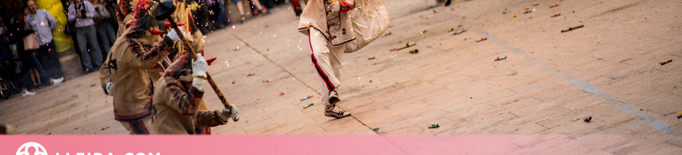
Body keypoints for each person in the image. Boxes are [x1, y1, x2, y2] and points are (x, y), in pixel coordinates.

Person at [298, 0, 389, 118]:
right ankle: (333, 88)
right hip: (316, 23)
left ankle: (329, 107)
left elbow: (353, 3)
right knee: (318, 54)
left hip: (339, 28)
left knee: (335, 67)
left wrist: (341, 5)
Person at [106, 3, 180, 134]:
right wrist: (107, 82)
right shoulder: (128, 44)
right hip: (134, 106)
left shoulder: (129, 38)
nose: (155, 43)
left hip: (146, 99)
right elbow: (145, 60)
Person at [151, 53, 239, 134]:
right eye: (192, 81)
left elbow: (194, 118)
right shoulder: (167, 85)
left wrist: (220, 116)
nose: (192, 85)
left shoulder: (174, 83)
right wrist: (198, 82)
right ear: (184, 77)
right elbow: (188, 109)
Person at [25, 0, 65, 79]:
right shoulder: (28, 18)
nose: (33, 7)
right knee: (45, 62)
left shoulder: (43, 12)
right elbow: (29, 29)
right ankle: (52, 79)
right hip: (39, 43)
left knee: (54, 59)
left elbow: (53, 21)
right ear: (28, 8)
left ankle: (60, 76)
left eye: (33, 4)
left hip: (48, 40)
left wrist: (49, 29)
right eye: (30, 5)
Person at [68, 0, 104, 72]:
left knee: (94, 45)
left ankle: (100, 63)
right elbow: (69, 18)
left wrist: (84, 15)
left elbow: (94, 14)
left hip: (89, 27)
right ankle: (88, 67)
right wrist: (76, 16)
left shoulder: (86, 3)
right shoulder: (71, 6)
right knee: (82, 48)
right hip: (79, 29)